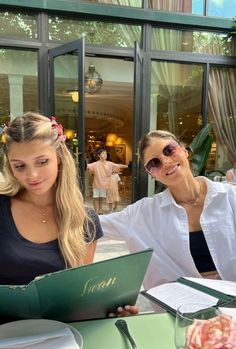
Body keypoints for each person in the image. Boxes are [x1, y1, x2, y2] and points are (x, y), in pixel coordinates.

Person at [99, 130, 236, 290]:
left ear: (184, 150)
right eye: (154, 163)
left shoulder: (230, 198)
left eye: (169, 150)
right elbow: (91, 225)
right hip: (183, 306)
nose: (165, 161)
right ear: (151, 174)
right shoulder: (144, 213)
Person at [0, 112, 103, 286]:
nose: (32, 175)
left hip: (58, 314)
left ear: (60, 159)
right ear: (10, 167)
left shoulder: (85, 220)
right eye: (19, 166)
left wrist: (113, 308)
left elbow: (80, 291)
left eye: (42, 162)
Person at [87, 148, 128, 215]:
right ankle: (96, 212)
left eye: (105, 153)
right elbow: (87, 166)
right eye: (103, 153)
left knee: (101, 198)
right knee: (96, 198)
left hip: (104, 185)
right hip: (96, 184)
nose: (105, 155)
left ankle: (99, 211)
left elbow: (119, 165)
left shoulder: (109, 164)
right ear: (99, 155)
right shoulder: (95, 164)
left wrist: (128, 166)